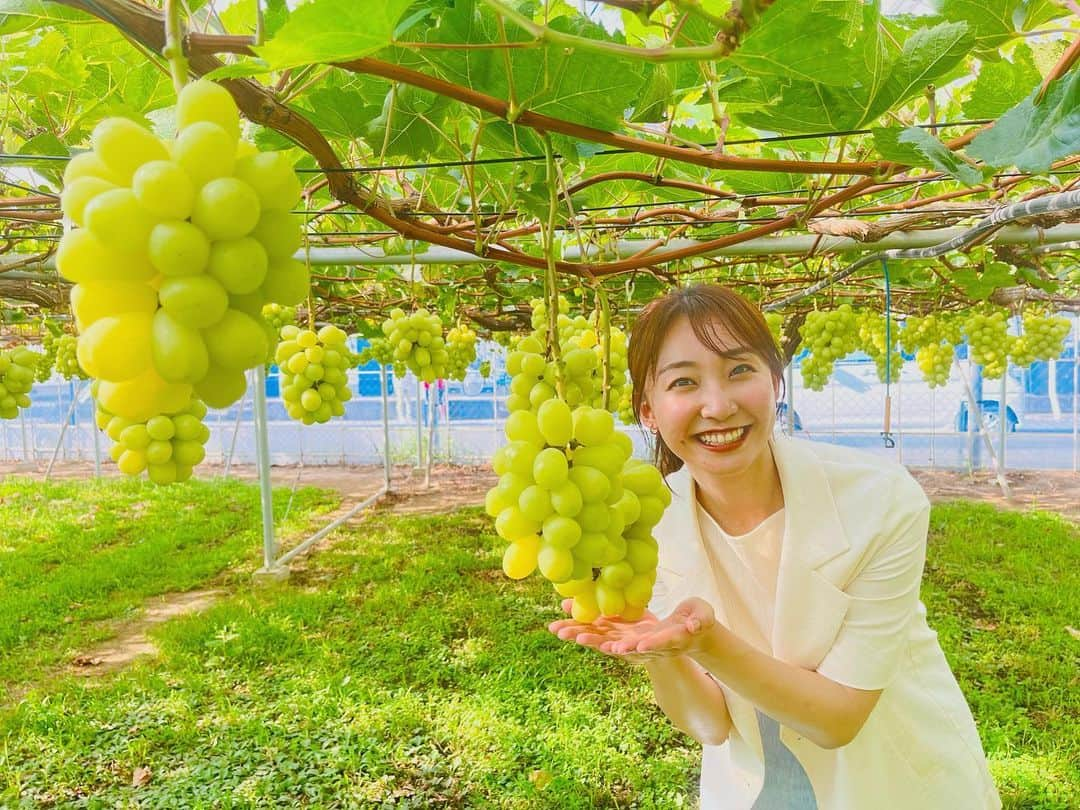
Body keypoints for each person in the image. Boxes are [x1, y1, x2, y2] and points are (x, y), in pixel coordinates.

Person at [549, 284, 1001, 809]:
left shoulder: (879, 499)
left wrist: (705, 642)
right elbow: (709, 724)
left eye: (740, 370)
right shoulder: (649, 519)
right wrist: (661, 651)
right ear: (648, 409)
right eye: (684, 382)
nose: (717, 406)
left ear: (775, 382)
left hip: (893, 782)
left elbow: (836, 719)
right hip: (759, 787)